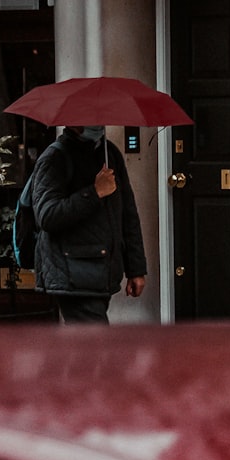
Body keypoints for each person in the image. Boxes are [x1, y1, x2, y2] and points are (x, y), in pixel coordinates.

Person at [31, 125, 147, 323]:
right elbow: (47, 216)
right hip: (73, 273)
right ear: (72, 121)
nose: (98, 123)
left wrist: (135, 268)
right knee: (96, 348)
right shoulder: (54, 157)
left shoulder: (109, 153)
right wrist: (94, 192)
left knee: (88, 349)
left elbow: (128, 214)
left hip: (102, 273)